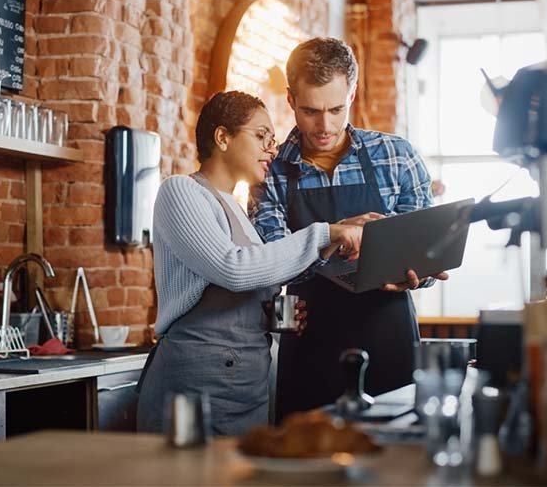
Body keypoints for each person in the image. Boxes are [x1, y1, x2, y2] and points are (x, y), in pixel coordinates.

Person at [136, 91, 362, 436]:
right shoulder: (179, 191)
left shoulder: (237, 210)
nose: (271, 149)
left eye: (272, 140)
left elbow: (237, 287)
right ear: (222, 137)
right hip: (196, 385)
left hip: (245, 388)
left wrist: (270, 316)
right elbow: (234, 269)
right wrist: (323, 234)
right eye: (261, 137)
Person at [250, 37, 449, 422]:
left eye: (336, 109)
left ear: (352, 93)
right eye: (310, 111)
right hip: (311, 344)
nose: (324, 125)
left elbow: (426, 249)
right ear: (290, 99)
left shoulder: (397, 155)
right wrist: (333, 234)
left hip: (389, 336)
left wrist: (419, 275)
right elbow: (271, 261)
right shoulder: (268, 171)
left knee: (395, 466)